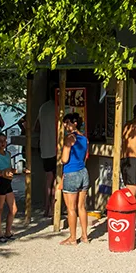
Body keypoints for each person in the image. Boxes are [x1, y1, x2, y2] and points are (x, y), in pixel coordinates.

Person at [59, 112, 89, 246]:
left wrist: (61, 154)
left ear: (74, 123)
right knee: (81, 207)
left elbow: (64, 159)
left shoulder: (69, 138)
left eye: (67, 122)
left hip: (71, 173)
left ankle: (72, 237)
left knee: (71, 208)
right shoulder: (84, 138)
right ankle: (84, 236)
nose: (65, 125)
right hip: (83, 172)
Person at [0, 133, 25, 242]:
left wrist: (21, 170)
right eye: (0, 141)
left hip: (8, 182)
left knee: (13, 209)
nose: (3, 143)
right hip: (0, 182)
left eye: (4, 141)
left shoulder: (8, 154)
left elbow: (10, 168)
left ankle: (8, 232)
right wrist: (2, 173)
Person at [35, 90, 58, 217]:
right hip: (56, 147)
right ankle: (54, 208)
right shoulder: (59, 108)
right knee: (56, 179)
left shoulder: (43, 108)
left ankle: (46, 208)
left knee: (48, 179)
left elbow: (36, 127)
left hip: (45, 147)